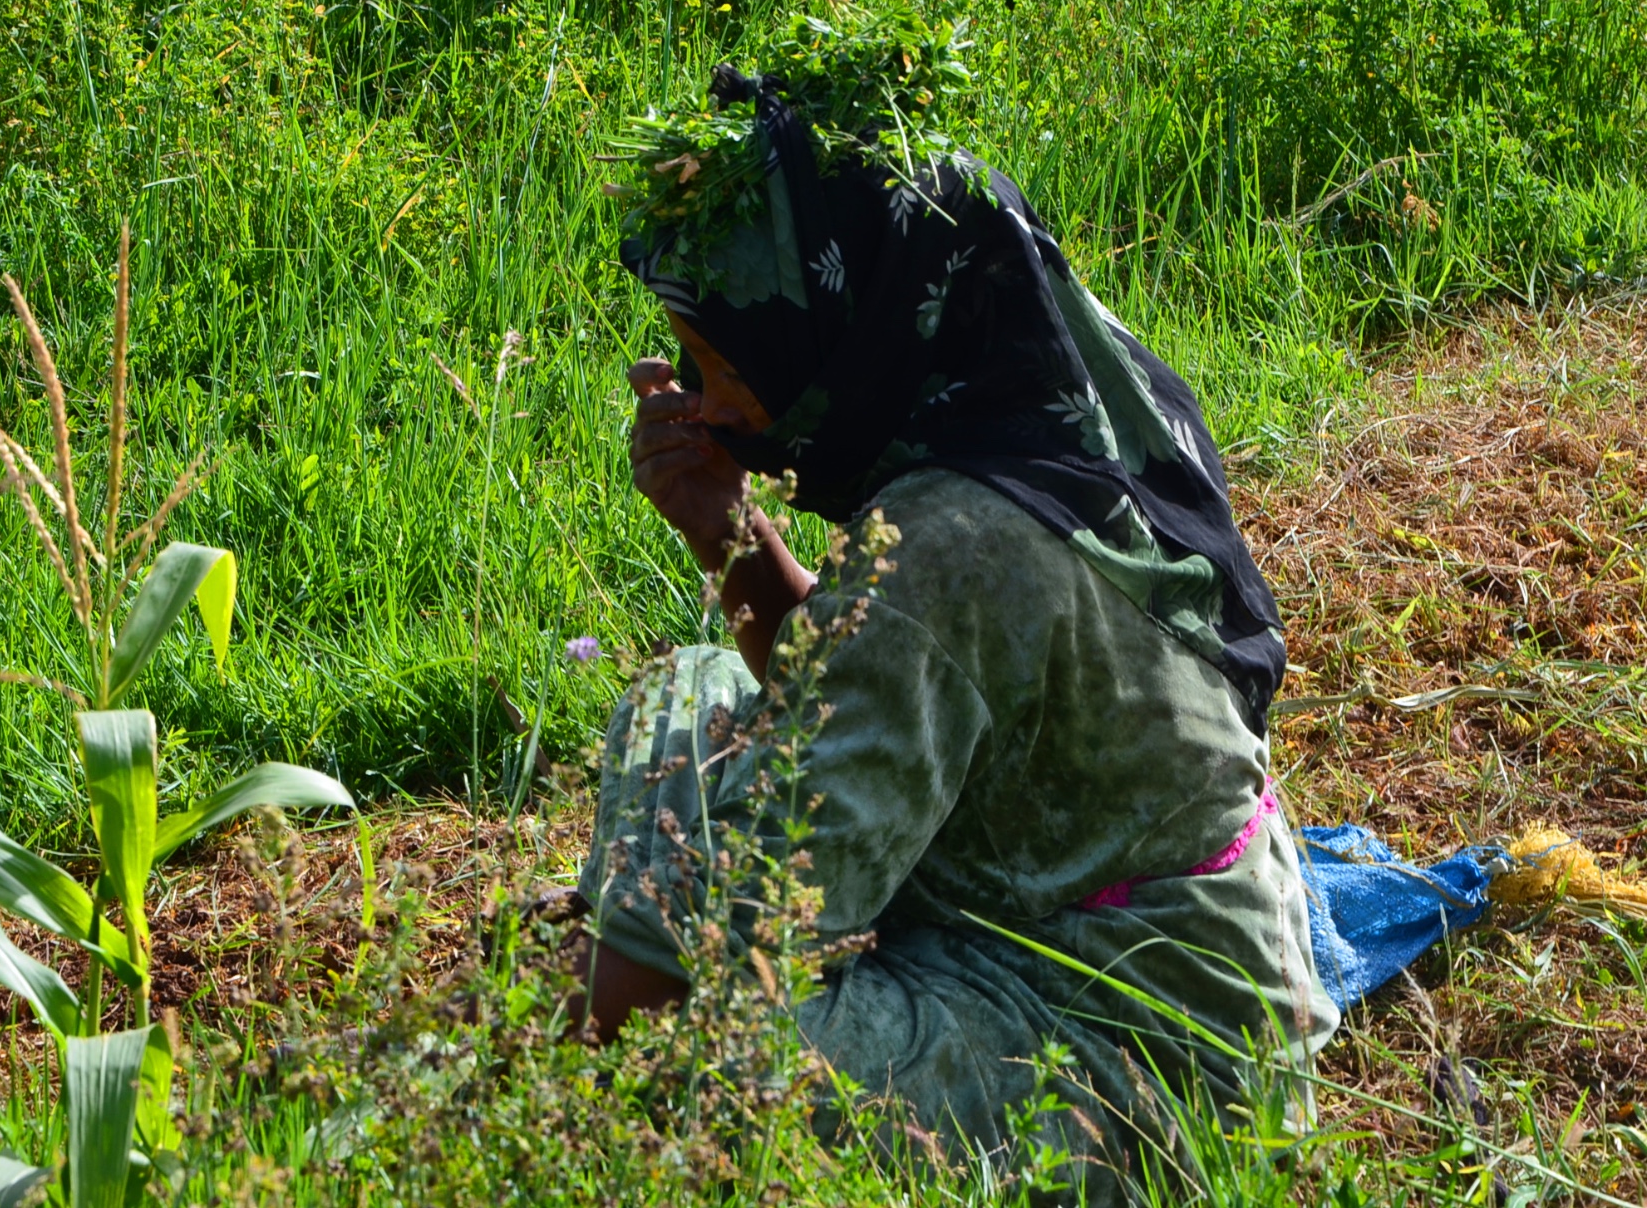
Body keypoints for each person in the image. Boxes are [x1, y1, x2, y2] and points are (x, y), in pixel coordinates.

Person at [562, 64, 1338, 1198]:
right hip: (1095, 905)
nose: (706, 400)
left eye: (721, 362)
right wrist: (721, 526)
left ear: (837, 326)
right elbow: (857, 688)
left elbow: (747, 933)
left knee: (695, 1068)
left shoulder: (943, 545)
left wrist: (547, 1056)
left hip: (1138, 1048)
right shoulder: (1046, 381)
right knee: (687, 692)